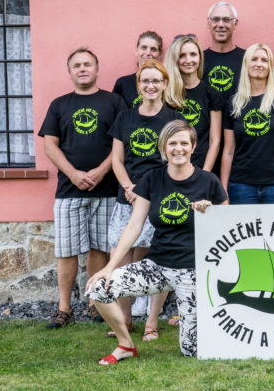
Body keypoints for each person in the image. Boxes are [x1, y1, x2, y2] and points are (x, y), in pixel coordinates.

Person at [86, 120, 229, 364]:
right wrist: (109, 267)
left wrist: (211, 212)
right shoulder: (152, 178)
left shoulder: (209, 181)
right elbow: (134, 226)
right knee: (98, 288)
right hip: (157, 267)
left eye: (184, 143)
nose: (178, 149)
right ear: (164, 147)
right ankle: (126, 345)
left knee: (191, 351)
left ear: (193, 147)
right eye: (172, 143)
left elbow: (228, 226)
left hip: (192, 271)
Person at [38, 48, 126, 328]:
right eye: (76, 65)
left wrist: (101, 171)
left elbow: (121, 144)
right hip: (69, 190)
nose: (82, 69)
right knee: (66, 251)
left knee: (100, 248)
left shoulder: (114, 102)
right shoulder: (59, 105)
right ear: (70, 72)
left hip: (107, 188)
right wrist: (73, 174)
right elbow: (49, 145)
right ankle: (64, 309)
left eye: (87, 64)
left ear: (97, 69)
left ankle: (95, 303)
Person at [108, 59, 184, 341]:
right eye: (145, 81)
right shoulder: (124, 118)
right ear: (138, 85)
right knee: (121, 260)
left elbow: (175, 158)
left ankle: (152, 321)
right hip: (126, 198)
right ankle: (125, 319)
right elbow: (117, 160)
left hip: (159, 198)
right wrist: (129, 186)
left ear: (165, 84)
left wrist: (146, 191)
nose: (150, 85)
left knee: (157, 261)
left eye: (156, 81)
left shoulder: (173, 120)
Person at [220, 43, 274, 204]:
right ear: (246, 64)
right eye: (254, 59)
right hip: (241, 185)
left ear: (270, 66)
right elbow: (229, 150)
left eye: (264, 60)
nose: (259, 64)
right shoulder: (234, 103)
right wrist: (223, 189)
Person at [164, 36, 223, 170]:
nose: (188, 60)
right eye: (182, 55)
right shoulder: (166, 93)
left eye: (193, 54)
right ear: (175, 59)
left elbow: (215, 141)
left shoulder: (212, 94)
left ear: (200, 58)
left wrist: (205, 174)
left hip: (202, 167)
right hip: (171, 169)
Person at [203, 1, 246, 102]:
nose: (221, 25)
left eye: (226, 20)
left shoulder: (248, 58)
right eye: (216, 19)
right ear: (208, 23)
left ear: (235, 24)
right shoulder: (197, 60)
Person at [113, 31, 164, 108]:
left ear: (160, 54)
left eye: (153, 49)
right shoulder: (122, 84)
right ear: (136, 51)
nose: (148, 53)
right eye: (144, 47)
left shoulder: (165, 83)